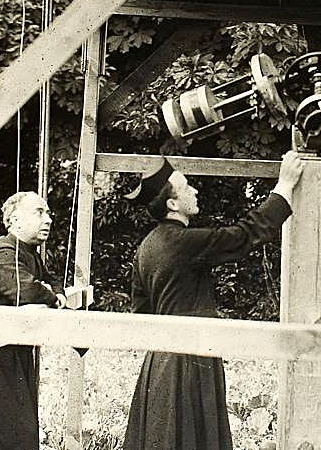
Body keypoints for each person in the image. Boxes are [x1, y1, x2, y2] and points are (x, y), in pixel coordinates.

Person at [122, 150, 306, 450]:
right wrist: (284, 186)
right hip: (190, 358)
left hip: (159, 364)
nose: (194, 191)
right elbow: (243, 236)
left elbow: (141, 313)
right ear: (172, 204)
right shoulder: (182, 242)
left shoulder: (146, 247)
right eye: (186, 187)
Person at [0, 191, 66, 450]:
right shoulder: (2, 249)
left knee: (17, 429)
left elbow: (50, 282)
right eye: (39, 212)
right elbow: (26, 289)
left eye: (48, 213)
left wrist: (54, 291)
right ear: (15, 220)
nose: (48, 219)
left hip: (11, 351)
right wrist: (49, 294)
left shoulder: (29, 254)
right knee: (0, 431)